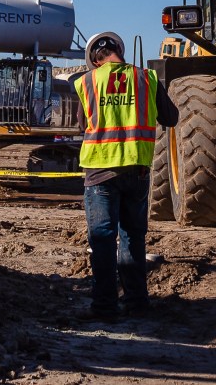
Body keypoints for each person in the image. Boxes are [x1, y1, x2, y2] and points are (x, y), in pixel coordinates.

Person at [73, 31, 179, 321]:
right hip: (137, 170)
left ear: (95, 61)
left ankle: (105, 307)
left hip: (100, 172)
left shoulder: (87, 82)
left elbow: (82, 125)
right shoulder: (147, 78)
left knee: (103, 240)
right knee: (132, 237)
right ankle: (137, 304)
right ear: (120, 51)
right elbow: (171, 118)